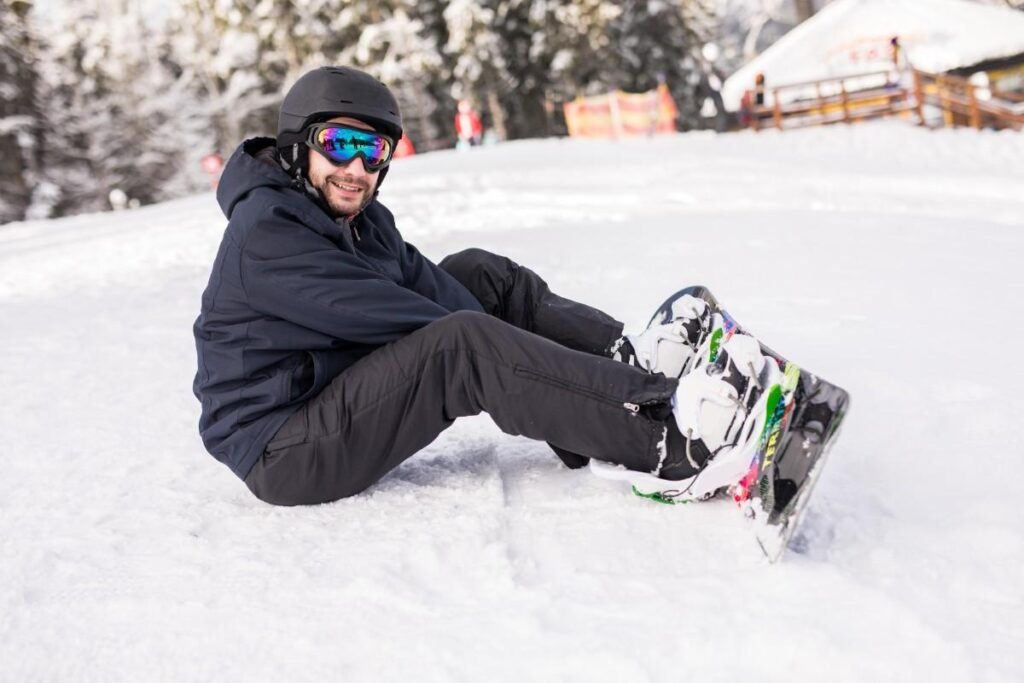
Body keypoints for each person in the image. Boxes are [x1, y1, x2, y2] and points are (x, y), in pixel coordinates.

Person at [192, 66, 769, 506]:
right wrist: (555, 373)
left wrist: (573, 372)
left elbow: (438, 290)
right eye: (341, 145)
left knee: (476, 273)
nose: (358, 169)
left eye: (375, 152)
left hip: (329, 390)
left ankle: (625, 362)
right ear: (299, 146)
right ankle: (667, 434)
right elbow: (419, 326)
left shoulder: (360, 219)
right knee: (462, 344)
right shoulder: (268, 236)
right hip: (284, 445)